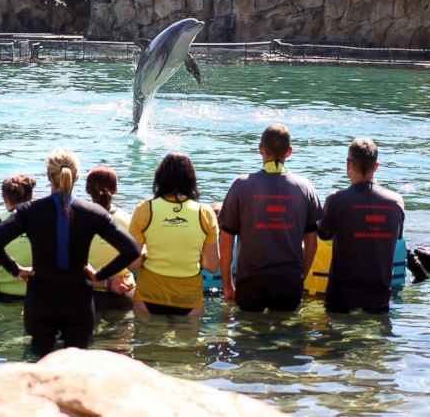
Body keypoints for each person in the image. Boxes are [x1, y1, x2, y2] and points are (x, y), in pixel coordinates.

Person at [0, 148, 139, 356]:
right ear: (77, 176)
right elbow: (130, 250)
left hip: (40, 301)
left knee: (39, 363)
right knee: (75, 369)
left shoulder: (29, 211)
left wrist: (16, 270)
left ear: (49, 176)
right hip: (78, 303)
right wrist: (100, 275)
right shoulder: (94, 213)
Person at [219, 123, 322, 312]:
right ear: (289, 152)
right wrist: (300, 277)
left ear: (261, 149)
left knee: (247, 338)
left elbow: (226, 241)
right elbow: (312, 245)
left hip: (250, 285)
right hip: (289, 286)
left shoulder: (241, 186)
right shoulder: (305, 188)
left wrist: (227, 285)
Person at [318, 137, 405, 313]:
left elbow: (323, 234)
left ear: (348, 165)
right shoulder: (396, 202)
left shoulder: (335, 200)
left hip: (341, 299)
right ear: (376, 166)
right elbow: (398, 238)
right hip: (379, 298)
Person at [129, 152, 220, 318]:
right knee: (188, 344)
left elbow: (130, 263)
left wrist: (146, 256)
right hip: (189, 300)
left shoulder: (144, 209)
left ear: (159, 177)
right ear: (191, 180)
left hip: (149, 297)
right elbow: (212, 265)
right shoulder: (205, 214)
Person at [0, 174, 37, 303]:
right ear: (32, 196)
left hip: (5, 299)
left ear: (5, 198)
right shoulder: (45, 222)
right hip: (38, 300)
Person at [86, 165, 136, 311]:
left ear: (88, 190)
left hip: (88, 294)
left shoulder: (77, 219)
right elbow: (139, 256)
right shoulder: (128, 220)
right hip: (124, 293)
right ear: (115, 190)